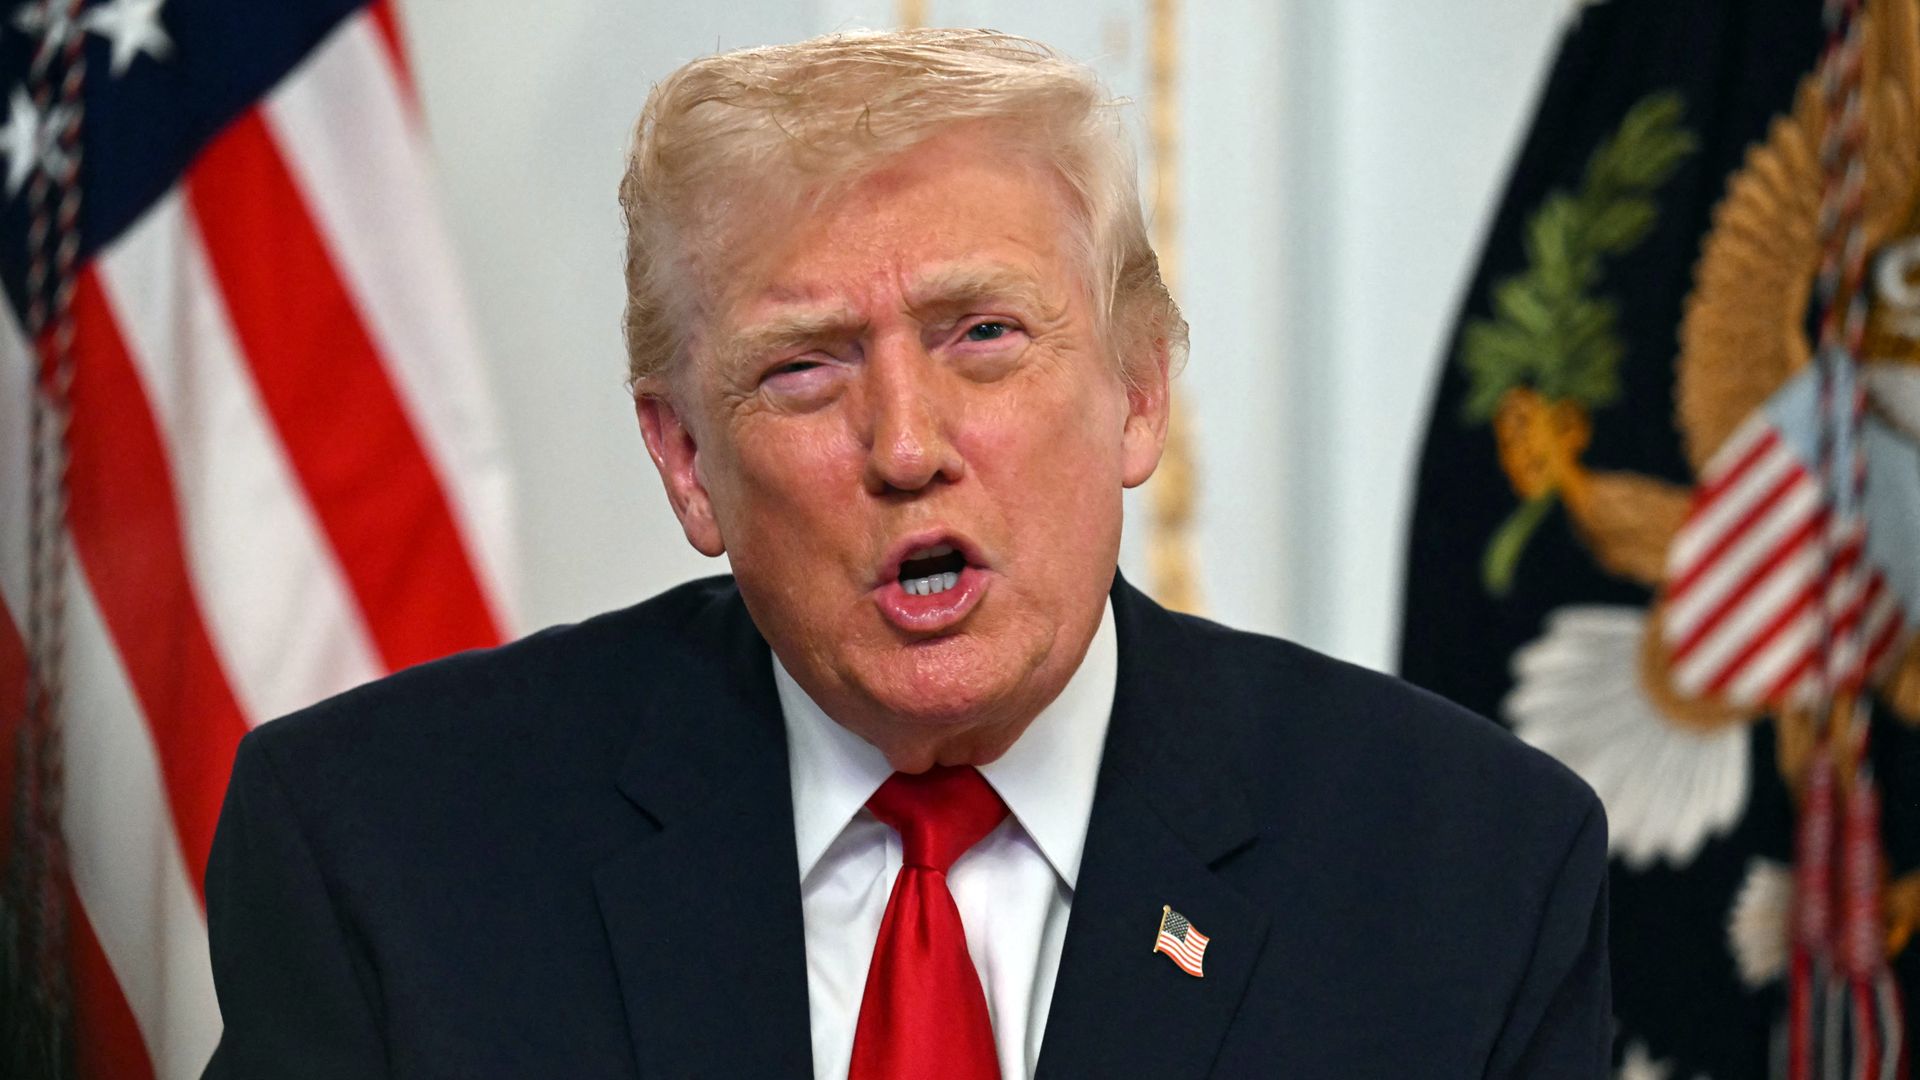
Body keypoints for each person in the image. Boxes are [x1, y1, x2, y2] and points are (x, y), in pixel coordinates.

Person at [201, 28, 1609, 1079]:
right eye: (805, 368)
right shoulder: (386, 851)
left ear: (1136, 391)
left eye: (982, 335)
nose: (906, 444)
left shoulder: (1462, 867)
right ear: (687, 462)